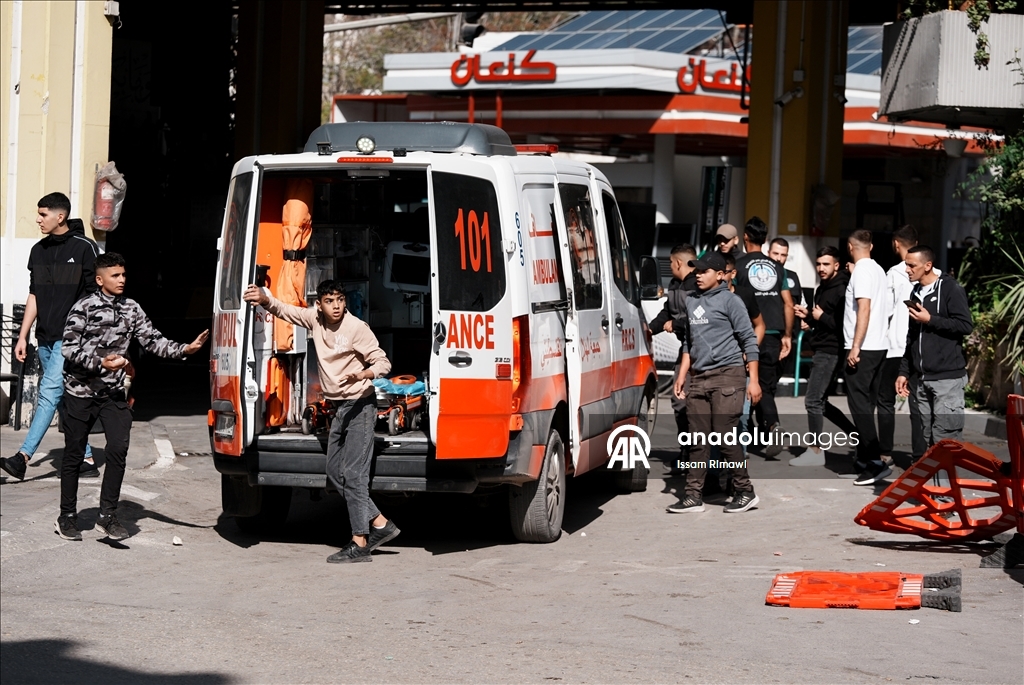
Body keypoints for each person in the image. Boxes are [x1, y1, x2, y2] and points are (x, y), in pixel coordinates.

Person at [56, 253, 208, 541]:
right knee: (74, 455)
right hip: (80, 392)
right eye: (115, 276)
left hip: (113, 394)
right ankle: (67, 515)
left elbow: (153, 340)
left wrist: (184, 350)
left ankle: (107, 516)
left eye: (124, 275)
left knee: (117, 450)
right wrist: (101, 363)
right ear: (100, 279)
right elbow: (68, 349)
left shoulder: (132, 308)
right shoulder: (83, 307)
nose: (122, 279)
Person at [244, 280, 397, 563]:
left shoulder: (356, 328)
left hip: (361, 405)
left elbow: (383, 362)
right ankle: (380, 524)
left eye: (340, 299)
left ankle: (360, 542)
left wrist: (364, 375)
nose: (336, 306)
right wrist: (264, 298)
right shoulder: (314, 320)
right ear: (320, 304)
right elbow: (284, 309)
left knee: (353, 474)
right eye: (330, 301)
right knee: (334, 471)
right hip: (339, 407)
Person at [1, 193, 99, 482]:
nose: (38, 219)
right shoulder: (38, 250)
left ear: (60, 216)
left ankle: (22, 457)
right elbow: (34, 295)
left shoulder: (85, 249)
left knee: (49, 392)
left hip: (71, 339)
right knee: (61, 399)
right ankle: (87, 456)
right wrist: (23, 336)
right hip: (44, 336)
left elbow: (97, 295)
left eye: (43, 214)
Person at [668, 251, 762, 514]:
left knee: (724, 434)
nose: (698, 275)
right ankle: (692, 496)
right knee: (697, 438)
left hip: (728, 375)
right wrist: (682, 374)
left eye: (704, 271)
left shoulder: (731, 301)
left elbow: (749, 340)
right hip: (699, 377)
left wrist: (753, 380)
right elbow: (689, 341)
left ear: (720, 275)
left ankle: (745, 491)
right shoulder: (691, 300)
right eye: (696, 271)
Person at [896, 245, 973, 453]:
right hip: (922, 380)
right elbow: (912, 336)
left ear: (928, 265)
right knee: (929, 441)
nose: (907, 270)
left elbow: (965, 326)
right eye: (906, 265)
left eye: (912, 265)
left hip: (947, 381)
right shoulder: (916, 292)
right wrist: (904, 371)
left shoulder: (950, 288)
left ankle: (946, 486)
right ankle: (935, 486)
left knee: (945, 442)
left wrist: (930, 319)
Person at [790, 246, 857, 466]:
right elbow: (821, 319)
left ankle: (815, 451)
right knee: (821, 403)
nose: (820, 268)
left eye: (825, 264)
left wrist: (820, 316)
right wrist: (809, 318)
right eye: (818, 264)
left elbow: (844, 325)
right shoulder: (822, 288)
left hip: (831, 351)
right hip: (821, 346)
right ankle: (859, 438)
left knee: (812, 400)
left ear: (836, 265)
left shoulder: (842, 289)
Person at [734, 217, 793, 459]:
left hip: (748, 334)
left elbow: (733, 302)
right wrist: (788, 335)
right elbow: (788, 303)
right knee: (765, 385)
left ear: (745, 237)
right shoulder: (778, 268)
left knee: (755, 387)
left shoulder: (737, 266)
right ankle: (765, 433)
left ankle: (768, 428)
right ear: (765, 240)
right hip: (775, 334)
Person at [879, 225, 936, 464]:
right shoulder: (937, 277)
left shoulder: (893, 273)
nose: (908, 268)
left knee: (885, 399)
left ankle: (885, 452)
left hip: (896, 346)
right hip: (919, 349)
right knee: (918, 405)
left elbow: (885, 312)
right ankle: (919, 456)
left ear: (896, 244)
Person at [843, 229, 893, 486]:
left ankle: (874, 463)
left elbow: (864, 307)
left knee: (860, 406)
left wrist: (855, 347)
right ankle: (866, 458)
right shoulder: (878, 270)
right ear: (870, 246)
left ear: (851, 247)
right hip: (879, 346)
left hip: (864, 347)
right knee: (867, 404)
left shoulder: (862, 272)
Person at [648, 244, 698, 461]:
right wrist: (650, 328)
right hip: (685, 348)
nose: (669, 266)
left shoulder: (699, 283)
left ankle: (705, 455)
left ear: (678, 262)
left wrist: (675, 324)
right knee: (680, 401)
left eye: (670, 262)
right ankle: (686, 449)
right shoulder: (675, 284)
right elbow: (668, 311)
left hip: (704, 350)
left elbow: (701, 317)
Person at [768, 237, 806, 307]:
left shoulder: (792, 276)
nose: (779, 259)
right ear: (768, 253)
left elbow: (801, 303)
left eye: (783, 255)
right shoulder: (760, 275)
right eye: (775, 253)